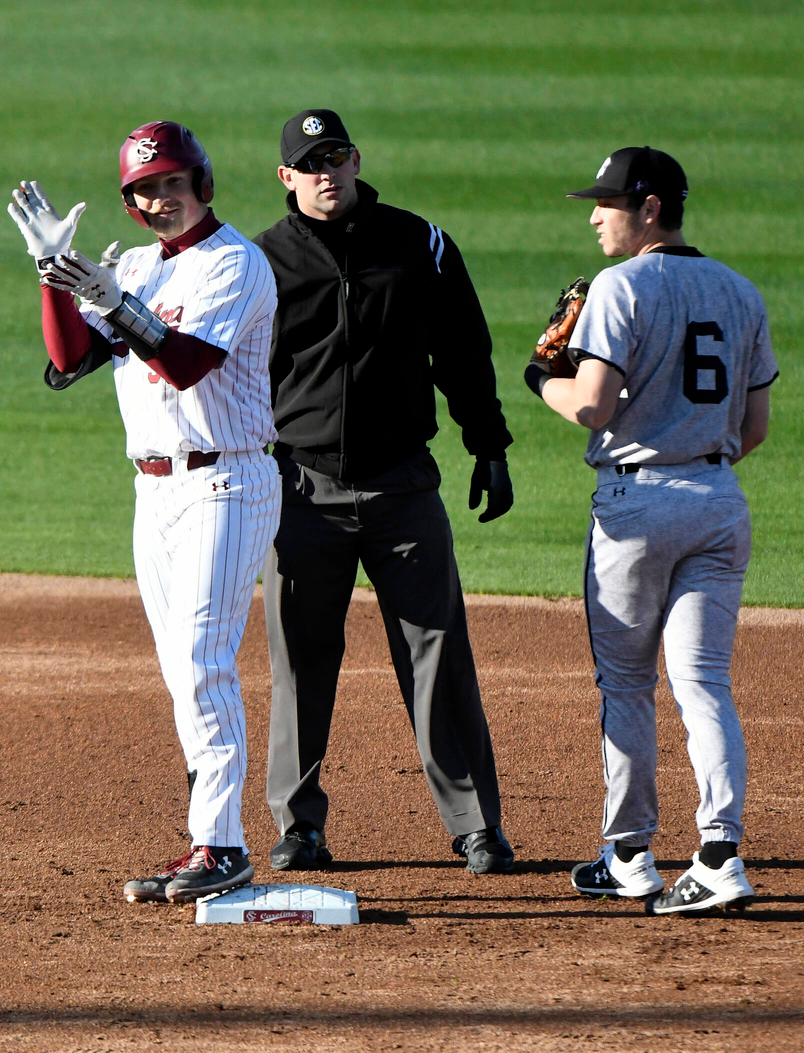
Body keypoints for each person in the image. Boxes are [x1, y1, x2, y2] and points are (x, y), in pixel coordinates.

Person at [7, 121, 280, 904]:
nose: (160, 200)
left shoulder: (237, 263)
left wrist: (119, 303)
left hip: (226, 481)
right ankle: (208, 836)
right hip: (154, 491)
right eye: (144, 190)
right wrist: (52, 274)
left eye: (170, 183)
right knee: (181, 671)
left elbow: (188, 364)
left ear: (201, 182)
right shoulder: (131, 265)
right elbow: (68, 361)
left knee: (201, 662)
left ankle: (221, 845)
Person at [252, 109, 515, 875]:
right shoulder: (259, 262)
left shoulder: (418, 243)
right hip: (299, 486)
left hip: (404, 483)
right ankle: (300, 826)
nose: (327, 172)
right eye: (311, 162)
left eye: (337, 157)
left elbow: (464, 350)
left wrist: (488, 444)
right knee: (300, 661)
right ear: (287, 177)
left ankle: (475, 825)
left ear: (358, 159)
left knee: (437, 652)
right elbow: (234, 375)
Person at [527, 147, 776, 913]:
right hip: (718, 499)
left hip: (637, 509)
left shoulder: (620, 285)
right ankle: (719, 855)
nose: (596, 215)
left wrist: (543, 379)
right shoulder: (740, 290)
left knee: (628, 683)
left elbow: (593, 406)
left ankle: (630, 853)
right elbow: (755, 426)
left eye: (607, 203)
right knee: (704, 682)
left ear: (652, 208)